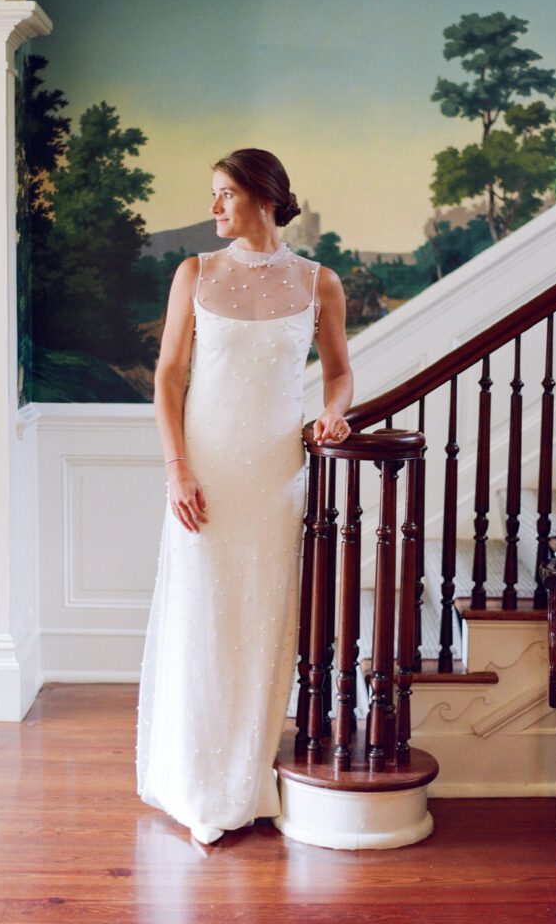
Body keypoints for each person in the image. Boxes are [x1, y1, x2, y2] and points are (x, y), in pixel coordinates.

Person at [136, 148, 354, 845]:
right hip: (206, 470)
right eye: (213, 195)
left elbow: (340, 372)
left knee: (261, 623)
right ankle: (198, 786)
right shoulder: (194, 274)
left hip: (274, 475)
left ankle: (247, 780)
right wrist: (177, 469)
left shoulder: (320, 283)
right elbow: (169, 379)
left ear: (264, 196)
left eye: (225, 194)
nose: (215, 207)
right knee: (202, 617)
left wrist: (335, 412)